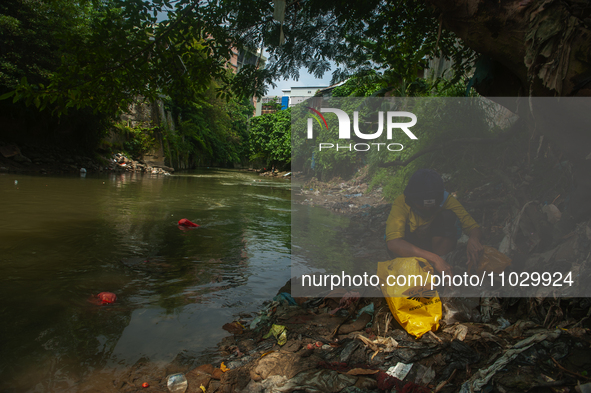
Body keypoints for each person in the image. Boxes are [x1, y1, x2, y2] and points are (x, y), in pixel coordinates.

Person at [386, 169, 483, 274]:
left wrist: (474, 238)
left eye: (432, 206)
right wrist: (434, 259)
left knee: (448, 217)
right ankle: (432, 262)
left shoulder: (446, 200)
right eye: (423, 206)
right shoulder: (401, 203)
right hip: (411, 247)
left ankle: (443, 262)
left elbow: (472, 226)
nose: (428, 209)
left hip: (434, 246)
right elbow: (393, 243)